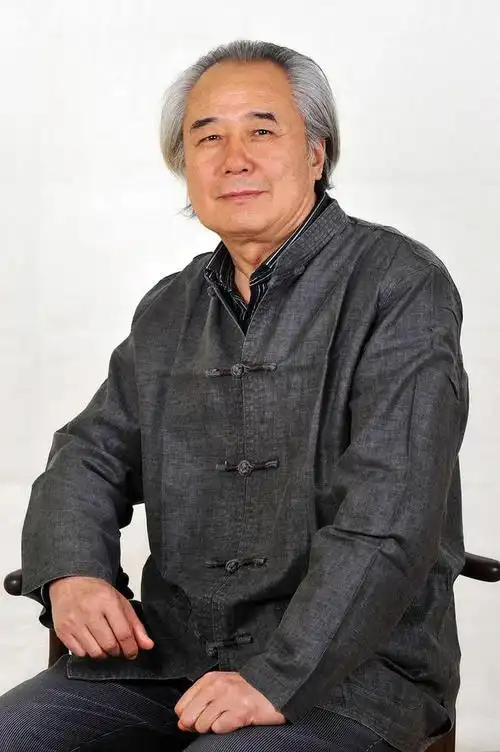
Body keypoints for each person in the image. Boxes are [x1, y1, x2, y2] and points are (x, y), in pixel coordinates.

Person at [0, 39, 469, 752]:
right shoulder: (170, 306)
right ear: (185, 164)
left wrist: (274, 679)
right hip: (171, 656)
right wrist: (71, 573)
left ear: (316, 152)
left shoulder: (399, 285)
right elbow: (88, 456)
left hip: (356, 671)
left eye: (262, 130)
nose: (234, 158)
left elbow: (389, 517)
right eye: (208, 137)